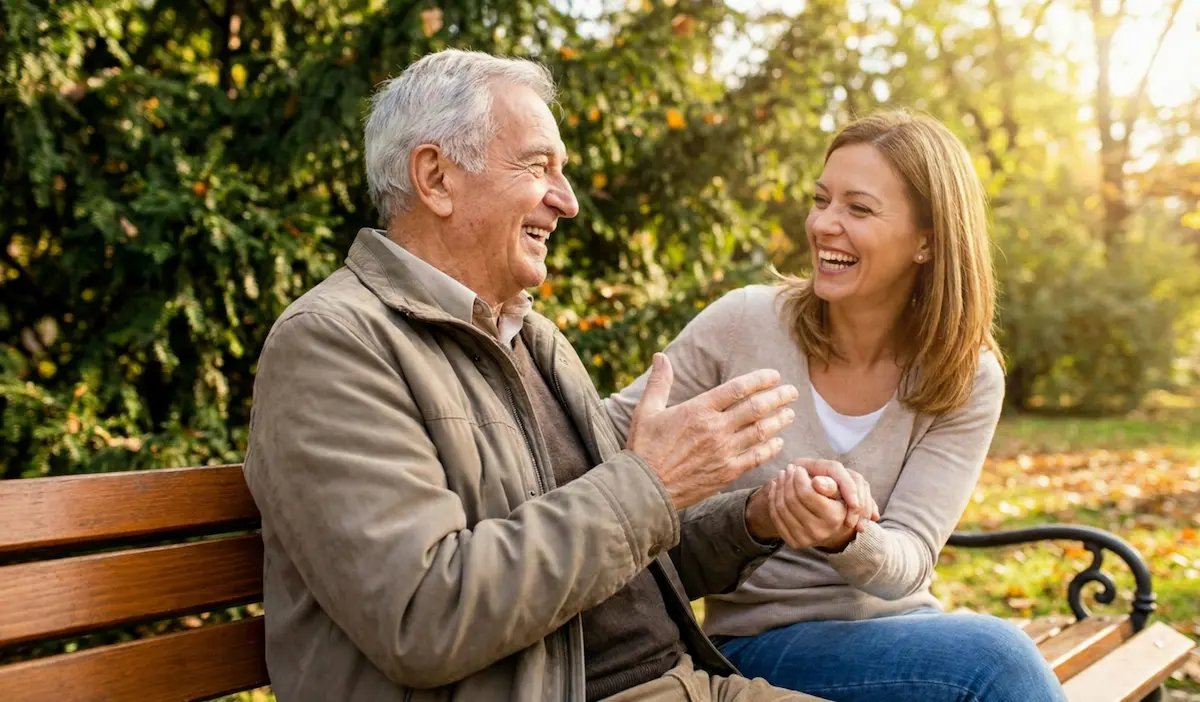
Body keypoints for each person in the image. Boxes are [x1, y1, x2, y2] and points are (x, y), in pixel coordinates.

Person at [243, 49, 858, 702]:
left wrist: (756, 517)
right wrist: (650, 482)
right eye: (539, 167)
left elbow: (618, 565)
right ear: (437, 177)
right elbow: (424, 616)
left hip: (685, 684)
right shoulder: (333, 343)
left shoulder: (532, 338)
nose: (566, 203)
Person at [606, 111, 1067, 702]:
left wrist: (844, 537)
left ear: (926, 241)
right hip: (762, 641)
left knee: (993, 661)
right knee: (997, 662)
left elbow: (909, 562)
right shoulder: (743, 323)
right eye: (821, 200)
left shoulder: (967, 374)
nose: (824, 224)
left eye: (859, 208)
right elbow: (600, 431)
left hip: (903, 633)